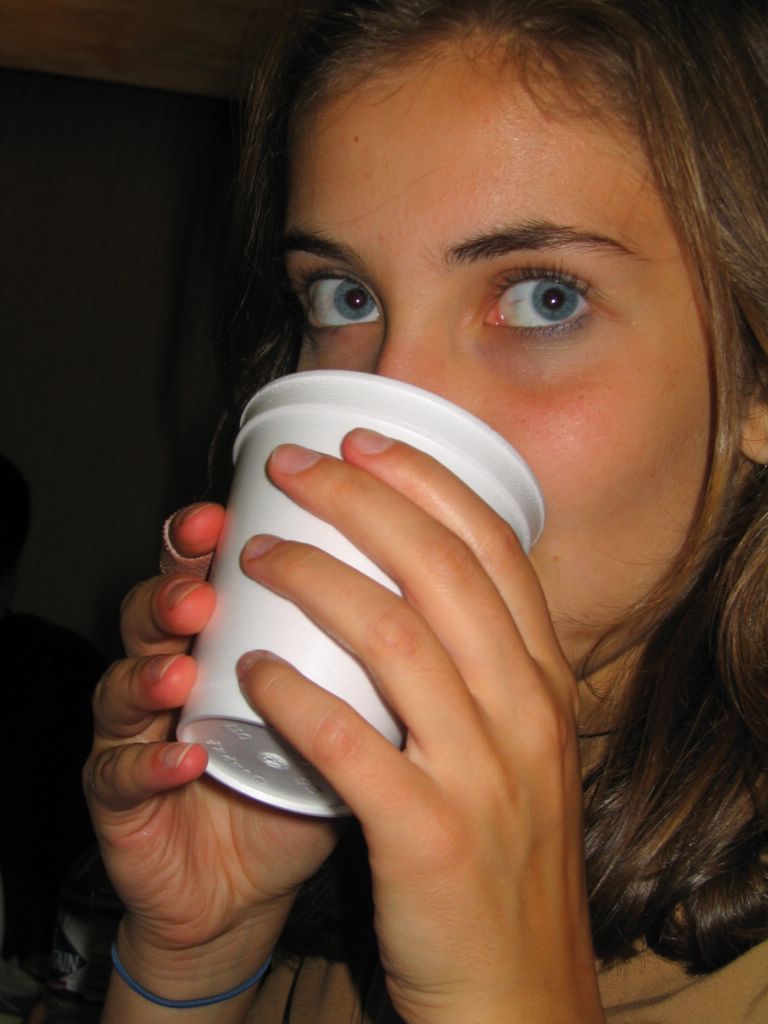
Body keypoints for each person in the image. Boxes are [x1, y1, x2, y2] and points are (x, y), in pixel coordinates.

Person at [84, 0, 768, 1020]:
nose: (388, 417)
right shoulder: (354, 855)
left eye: (544, 298)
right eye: (344, 297)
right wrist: (198, 959)